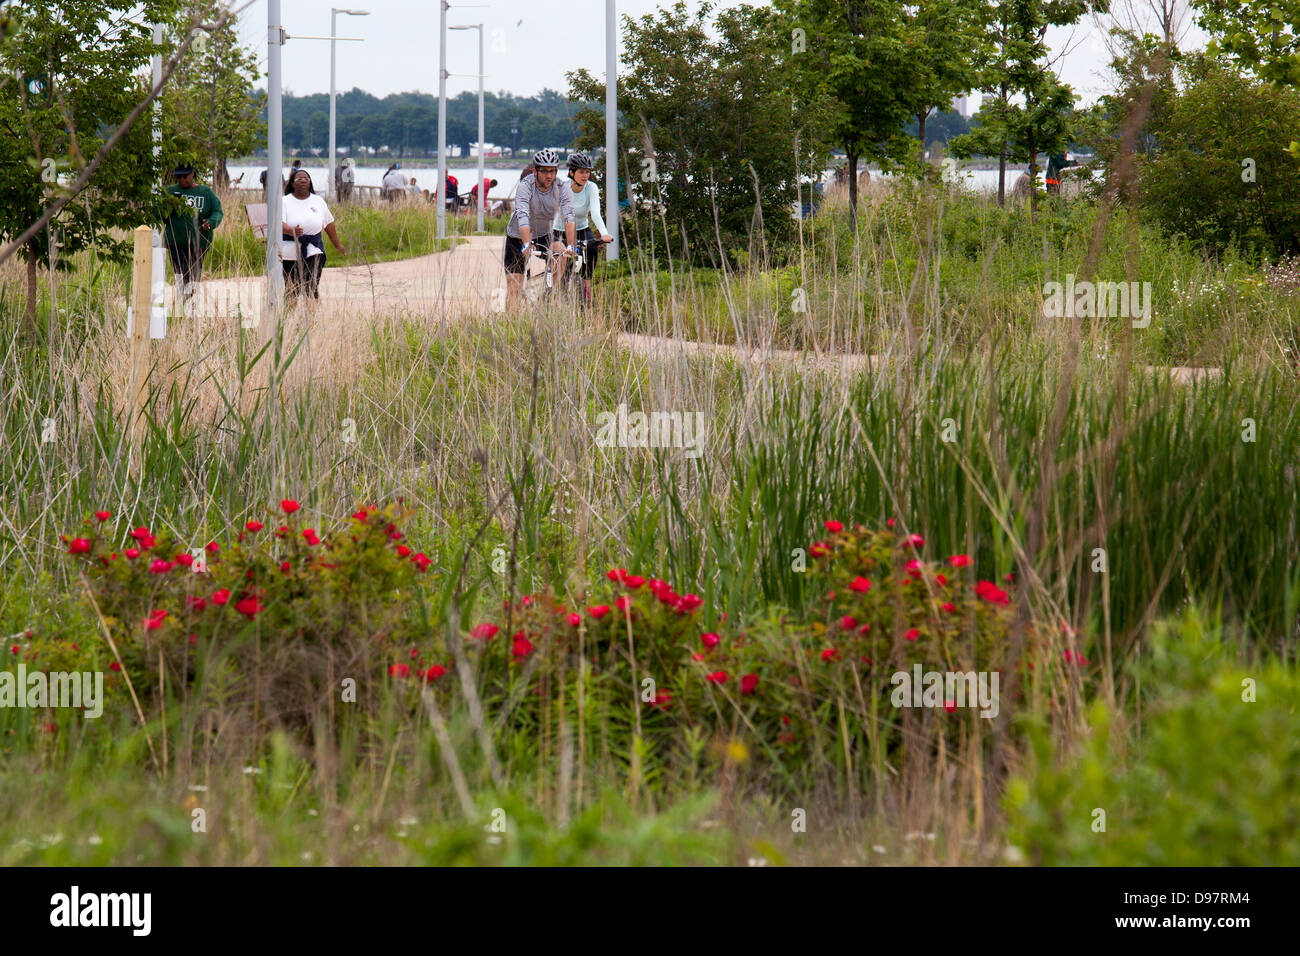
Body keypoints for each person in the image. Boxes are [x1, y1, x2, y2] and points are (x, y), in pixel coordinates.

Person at [503, 148, 575, 308]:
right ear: (535, 171)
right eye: (544, 172)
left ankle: (549, 295)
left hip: (544, 233)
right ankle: (511, 325)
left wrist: (571, 245)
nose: (549, 176)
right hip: (517, 236)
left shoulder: (562, 188)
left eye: (552, 171)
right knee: (514, 286)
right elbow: (522, 215)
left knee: (560, 251)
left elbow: (569, 216)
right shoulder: (525, 186)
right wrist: (527, 243)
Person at [281, 168, 347, 304]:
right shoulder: (284, 201)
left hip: (314, 250)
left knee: (311, 287)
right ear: (292, 183)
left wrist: (337, 245)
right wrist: (291, 230)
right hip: (289, 252)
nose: (303, 180)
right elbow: (278, 223)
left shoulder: (318, 201)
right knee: (292, 289)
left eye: (306, 178)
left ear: (310, 183)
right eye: (299, 179)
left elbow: (329, 224)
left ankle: (312, 321)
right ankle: (289, 322)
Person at [552, 152, 611, 303]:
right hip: (560, 231)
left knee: (592, 249)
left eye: (587, 172)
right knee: (562, 259)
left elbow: (596, 214)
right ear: (572, 172)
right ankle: (554, 291)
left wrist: (604, 234)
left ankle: (586, 290)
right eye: (581, 172)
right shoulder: (563, 188)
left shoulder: (591, 187)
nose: (585, 175)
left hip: (582, 229)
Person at [161, 162, 223, 300]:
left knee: (193, 274)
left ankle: (190, 302)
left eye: (185, 176)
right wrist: (170, 205)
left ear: (192, 174)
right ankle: (183, 300)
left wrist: (211, 223)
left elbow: (217, 212)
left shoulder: (205, 193)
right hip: (175, 242)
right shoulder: (170, 192)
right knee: (180, 273)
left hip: (198, 243)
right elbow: (159, 215)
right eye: (179, 177)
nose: (182, 180)